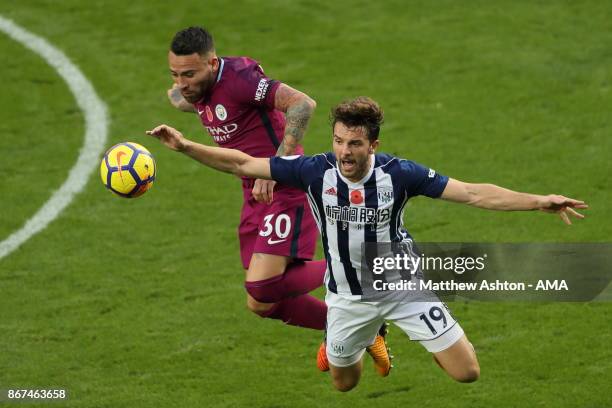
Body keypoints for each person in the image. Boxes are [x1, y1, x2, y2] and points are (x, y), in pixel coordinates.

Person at [146, 96, 587, 391]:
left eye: (354, 143)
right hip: (346, 297)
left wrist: (538, 202)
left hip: (401, 284)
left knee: (467, 372)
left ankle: (418, 329)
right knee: (345, 383)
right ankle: (366, 334)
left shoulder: (400, 175)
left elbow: (472, 192)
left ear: (373, 143)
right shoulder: (314, 171)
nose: (344, 152)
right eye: (338, 141)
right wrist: (185, 145)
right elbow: (243, 162)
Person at [162, 27, 390, 372]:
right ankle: (359, 328)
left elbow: (302, 104)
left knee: (263, 284)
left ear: (212, 63)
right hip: (253, 191)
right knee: (260, 303)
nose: (182, 83)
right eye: (175, 75)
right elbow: (197, 102)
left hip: (285, 186)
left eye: (189, 74)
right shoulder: (197, 91)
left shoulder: (238, 79)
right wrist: (181, 96)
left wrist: (278, 165)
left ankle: (362, 268)